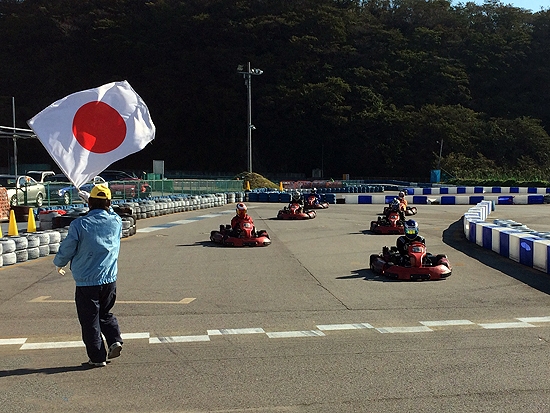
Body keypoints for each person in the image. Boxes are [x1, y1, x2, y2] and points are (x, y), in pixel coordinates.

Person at [53, 184, 123, 368]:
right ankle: (115, 339)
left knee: (89, 320)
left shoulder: (79, 224)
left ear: (89, 202)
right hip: (109, 279)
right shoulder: (116, 222)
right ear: (109, 202)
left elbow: (68, 248)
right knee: (105, 313)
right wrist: (98, 202)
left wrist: (59, 263)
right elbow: (112, 212)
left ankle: (97, 357)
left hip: (86, 281)